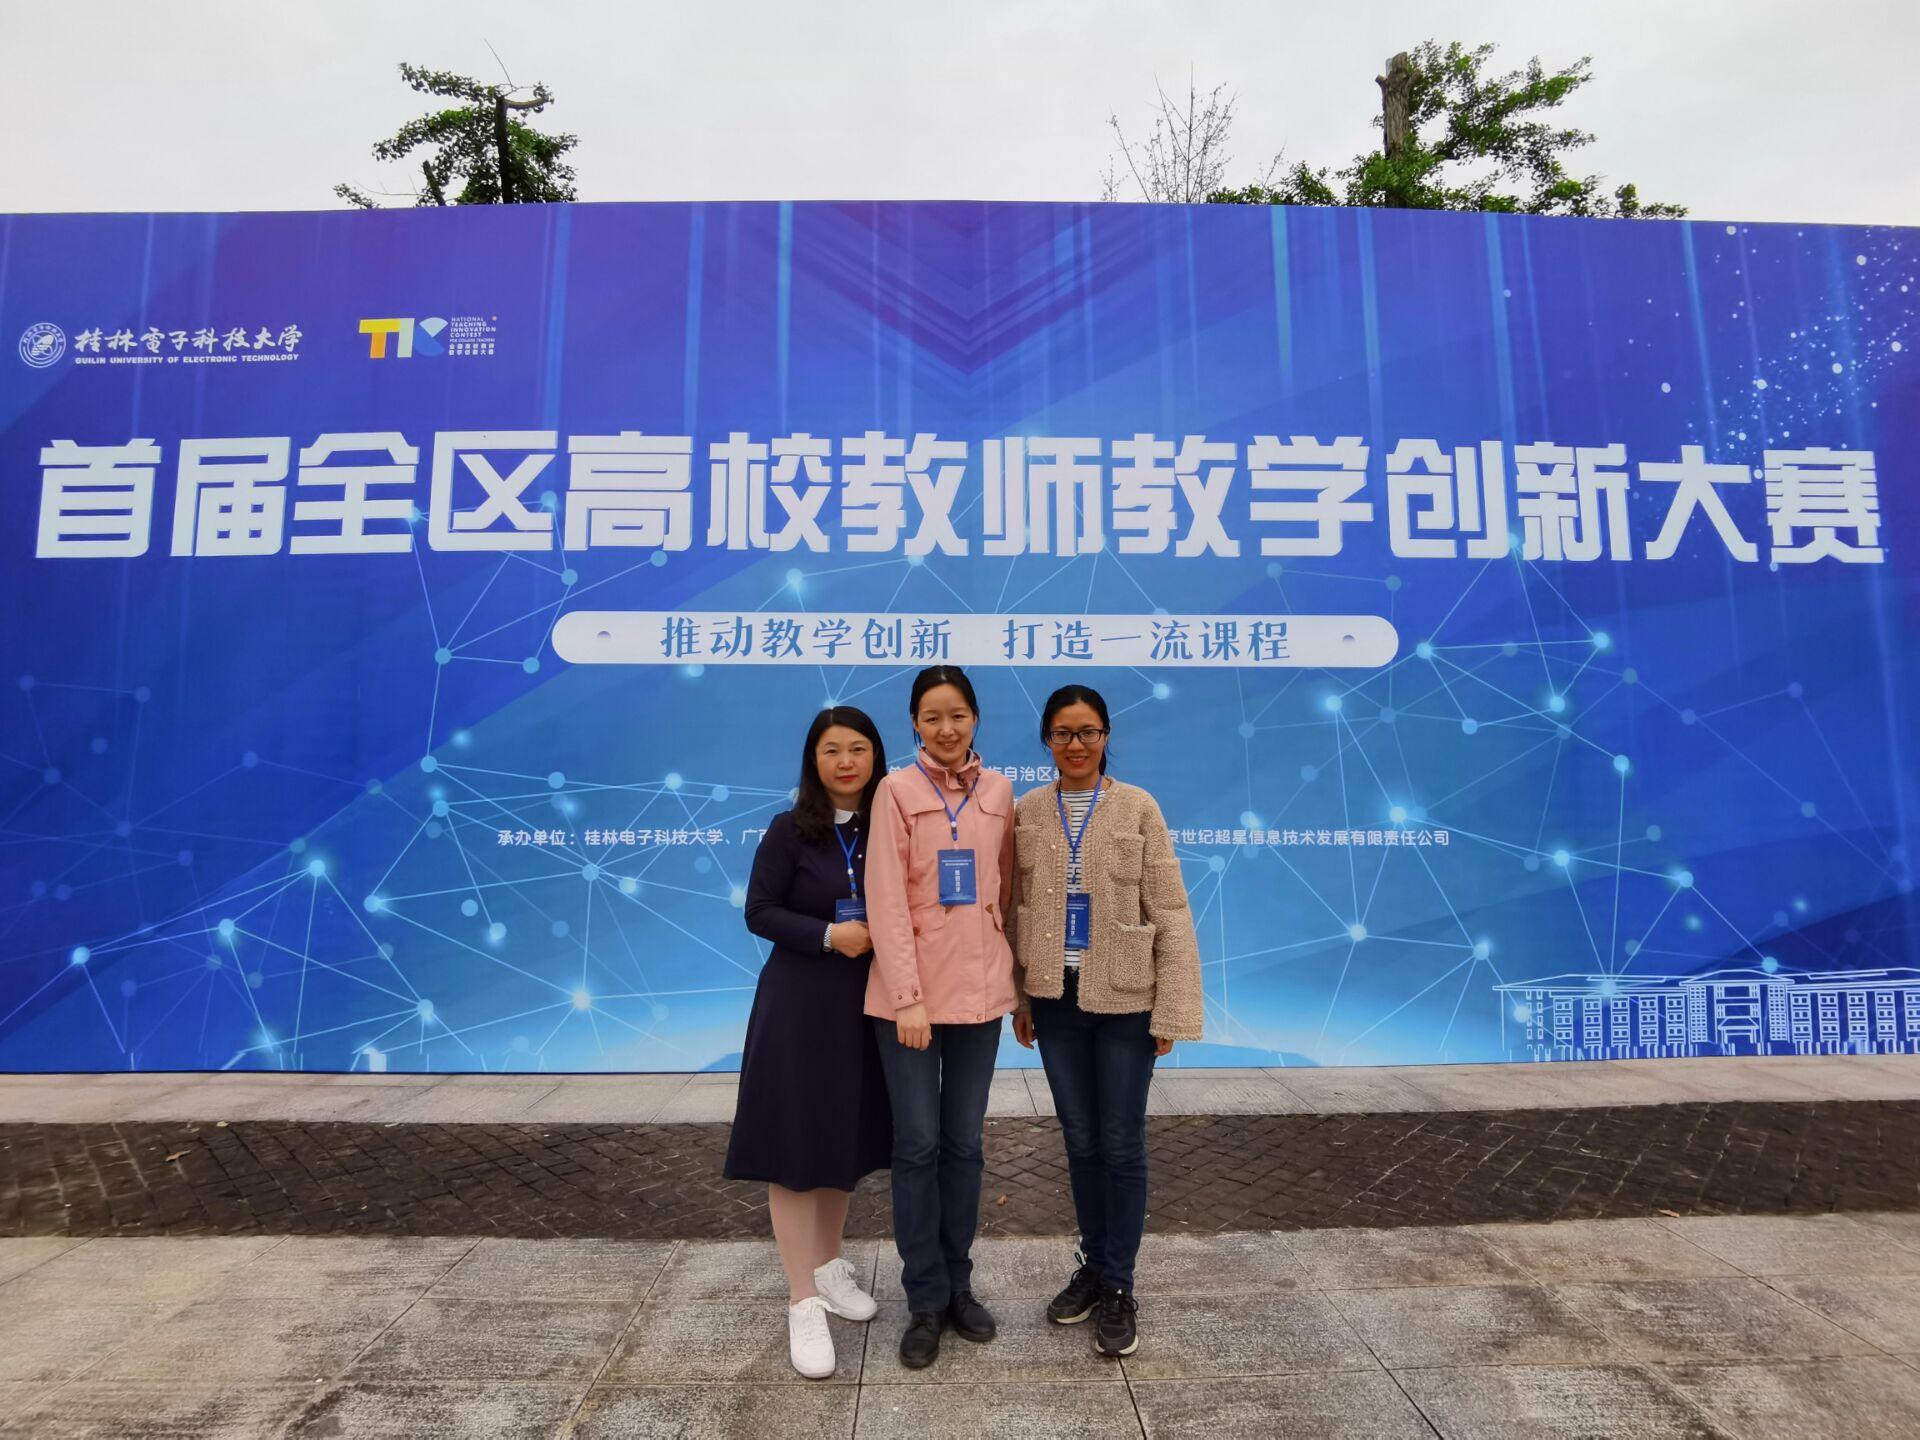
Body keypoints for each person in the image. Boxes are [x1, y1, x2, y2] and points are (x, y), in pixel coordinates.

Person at [1009, 683, 1203, 1359]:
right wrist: (1023, 998)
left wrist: (1172, 1006)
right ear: (1047, 740)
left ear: (1106, 736)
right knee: (1081, 1141)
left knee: (1120, 1143)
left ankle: (1119, 1285)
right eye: (1063, 733)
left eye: (1088, 731)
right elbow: (1017, 909)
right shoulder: (1029, 809)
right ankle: (1093, 1268)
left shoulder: (1137, 806)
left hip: (1126, 1000)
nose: (1076, 744)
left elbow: (1169, 909)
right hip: (1055, 1001)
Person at [724, 706, 893, 1380]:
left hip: (864, 1007)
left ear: (876, 757)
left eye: (858, 748)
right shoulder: (789, 830)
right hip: (798, 1005)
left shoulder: (889, 827)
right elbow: (759, 911)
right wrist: (828, 935)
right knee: (794, 1144)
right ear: (813, 761)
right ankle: (802, 1300)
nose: (846, 761)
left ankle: (828, 1266)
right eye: (831, 750)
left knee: (841, 1137)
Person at [864, 664, 1017, 1369]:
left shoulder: (999, 791)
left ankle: (959, 1285)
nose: (946, 728)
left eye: (957, 715)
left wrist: (1015, 984)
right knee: (918, 1144)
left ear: (975, 718)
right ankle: (924, 1299)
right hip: (912, 1002)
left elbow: (1003, 890)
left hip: (981, 993)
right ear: (915, 724)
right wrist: (907, 998)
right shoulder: (895, 791)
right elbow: (886, 900)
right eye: (932, 717)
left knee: (964, 1144)